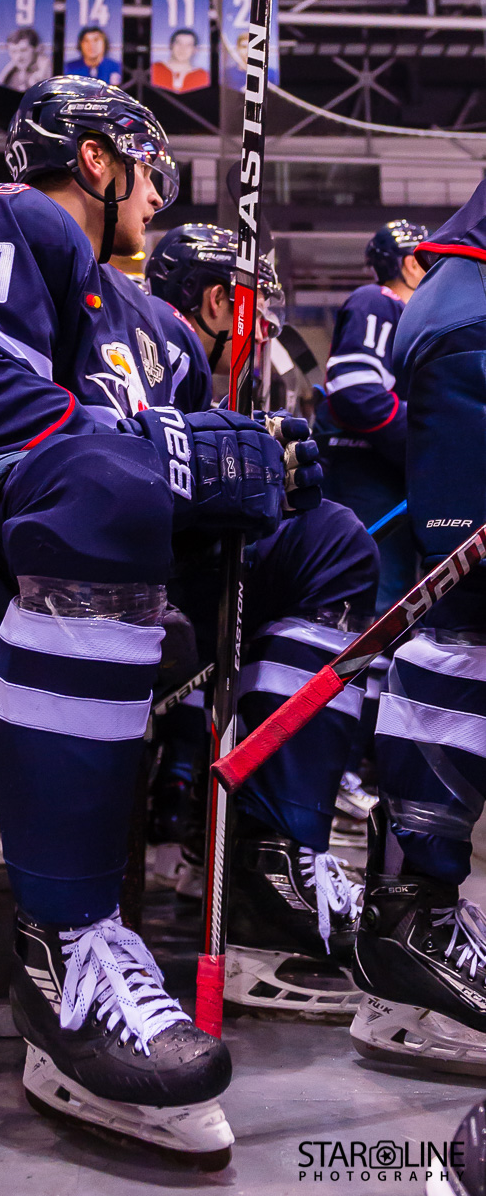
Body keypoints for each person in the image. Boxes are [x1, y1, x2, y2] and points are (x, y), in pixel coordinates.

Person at [0, 76, 367, 1154]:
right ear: (97, 158)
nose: (159, 194)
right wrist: (171, 453)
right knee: (103, 480)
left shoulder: (160, 329)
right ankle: (64, 946)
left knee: (330, 542)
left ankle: (268, 871)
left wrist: (261, 474)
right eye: (148, 167)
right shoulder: (7, 218)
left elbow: (181, 480)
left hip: (64, 547)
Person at [147, 223, 377, 1015]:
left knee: (322, 535)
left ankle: (247, 844)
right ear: (219, 301)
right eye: (258, 309)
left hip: (117, 579)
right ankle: (270, 868)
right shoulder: (162, 345)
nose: (269, 328)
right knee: (333, 547)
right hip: (96, 594)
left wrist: (262, 483)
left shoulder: (166, 354)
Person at [347, 180, 486, 1077]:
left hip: (466, 313)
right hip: (474, 324)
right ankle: (412, 926)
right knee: (469, 624)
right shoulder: (374, 303)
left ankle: (412, 928)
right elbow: (357, 393)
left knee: (467, 628)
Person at [315, 220, 427, 615]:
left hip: (383, 477)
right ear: (411, 264)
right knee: (371, 608)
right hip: (363, 477)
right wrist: (428, 441)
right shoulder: (378, 301)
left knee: (392, 604)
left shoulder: (408, 317)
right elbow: (356, 392)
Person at [151, 29, 210, 93]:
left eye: (188, 45)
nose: (182, 49)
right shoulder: (154, 69)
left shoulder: (203, 76)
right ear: (171, 45)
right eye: (178, 43)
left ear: (195, 50)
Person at [0, 27, 52, 92]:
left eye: (24, 50)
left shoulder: (48, 70)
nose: (18, 57)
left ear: (36, 48)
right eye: (13, 51)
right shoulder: (12, 76)